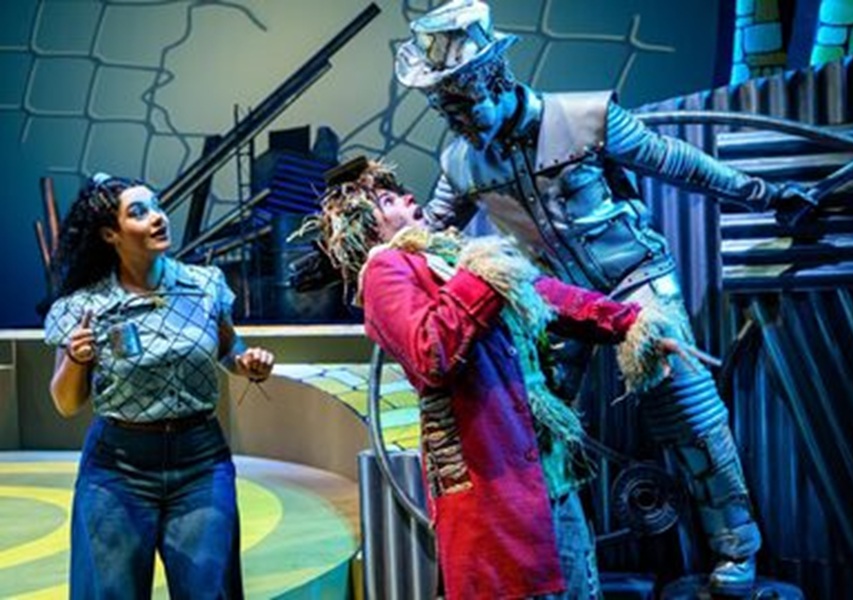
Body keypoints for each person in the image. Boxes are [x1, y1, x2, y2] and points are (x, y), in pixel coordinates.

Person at [392, 0, 818, 592]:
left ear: (494, 78)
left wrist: (765, 194)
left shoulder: (584, 117)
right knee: (532, 421)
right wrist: (383, 257)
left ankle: (736, 545)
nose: (457, 119)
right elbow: (433, 231)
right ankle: (554, 554)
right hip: (555, 301)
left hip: (635, 281)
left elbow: (678, 163)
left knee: (685, 404)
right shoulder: (461, 161)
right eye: (445, 107)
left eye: (462, 101)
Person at [308, 157, 706, 600]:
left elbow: (544, 295)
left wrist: (630, 322)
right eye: (387, 201)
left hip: (545, 470)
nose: (405, 197)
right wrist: (484, 274)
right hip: (494, 479)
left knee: (577, 587)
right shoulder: (387, 269)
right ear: (368, 229)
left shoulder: (447, 258)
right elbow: (432, 352)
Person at [43, 172, 274, 599]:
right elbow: (66, 403)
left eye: (157, 206)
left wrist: (247, 363)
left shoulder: (204, 286)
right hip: (117, 471)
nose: (157, 218)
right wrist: (77, 357)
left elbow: (230, 350)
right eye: (139, 212)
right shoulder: (84, 305)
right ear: (110, 234)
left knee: (210, 591)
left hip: (201, 464)